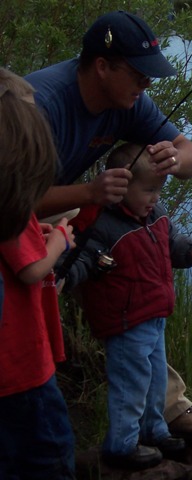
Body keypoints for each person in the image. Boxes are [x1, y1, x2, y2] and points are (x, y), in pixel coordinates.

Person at [25, 10, 192, 440]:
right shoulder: (43, 104)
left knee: (132, 282)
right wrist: (89, 194)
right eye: (139, 75)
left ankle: (170, 410)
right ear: (102, 66)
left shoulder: (128, 100)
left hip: (60, 204)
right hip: (19, 208)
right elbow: (12, 199)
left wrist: (175, 161)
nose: (147, 86)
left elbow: (191, 155)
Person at [61, 143, 192, 469]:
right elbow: (79, 262)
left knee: (154, 381)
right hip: (125, 322)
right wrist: (64, 276)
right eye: (148, 190)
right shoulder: (104, 226)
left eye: (159, 190)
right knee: (130, 385)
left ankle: (154, 430)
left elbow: (172, 244)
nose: (155, 197)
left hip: (154, 317)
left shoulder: (157, 215)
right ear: (121, 188)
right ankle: (121, 445)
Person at [0, 68, 76, 479]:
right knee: (49, 455)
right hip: (20, 371)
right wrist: (61, 238)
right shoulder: (8, 209)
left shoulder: (14, 210)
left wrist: (40, 231)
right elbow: (31, 269)